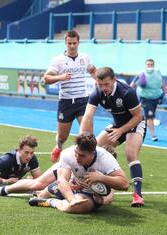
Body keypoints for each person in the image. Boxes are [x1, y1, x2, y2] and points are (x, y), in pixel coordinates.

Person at [79, 67, 146, 207]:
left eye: (106, 84)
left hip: (135, 123)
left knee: (130, 154)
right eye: (100, 84)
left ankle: (138, 195)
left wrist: (121, 131)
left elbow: (138, 116)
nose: (103, 88)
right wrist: (82, 141)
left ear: (114, 80)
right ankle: (92, 186)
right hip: (116, 125)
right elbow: (88, 116)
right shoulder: (97, 92)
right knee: (92, 150)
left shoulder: (127, 93)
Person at [28, 134, 129, 214]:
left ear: (92, 153)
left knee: (74, 208)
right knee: (41, 193)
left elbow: (124, 184)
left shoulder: (105, 158)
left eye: (82, 155)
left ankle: (52, 202)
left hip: (89, 194)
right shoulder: (68, 154)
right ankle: (12, 189)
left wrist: (100, 178)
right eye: (76, 152)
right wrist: (72, 199)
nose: (77, 157)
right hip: (71, 187)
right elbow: (61, 179)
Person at [44, 30, 96, 163]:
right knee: (62, 136)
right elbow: (46, 78)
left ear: (78, 43)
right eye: (69, 43)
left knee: (87, 134)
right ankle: (59, 146)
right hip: (66, 102)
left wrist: (98, 80)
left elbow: (93, 70)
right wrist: (61, 77)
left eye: (74, 43)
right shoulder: (58, 60)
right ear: (65, 43)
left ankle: (86, 159)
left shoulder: (85, 57)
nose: (72, 46)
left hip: (83, 100)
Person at [130, 59, 167, 141]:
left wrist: (165, 93)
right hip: (145, 98)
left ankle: (140, 124)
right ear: (145, 65)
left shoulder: (157, 72)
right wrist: (131, 93)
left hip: (156, 97)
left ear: (154, 65)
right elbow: (132, 85)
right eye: (148, 64)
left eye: (151, 64)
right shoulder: (141, 74)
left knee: (150, 116)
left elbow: (162, 83)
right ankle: (153, 135)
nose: (149, 66)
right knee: (150, 117)